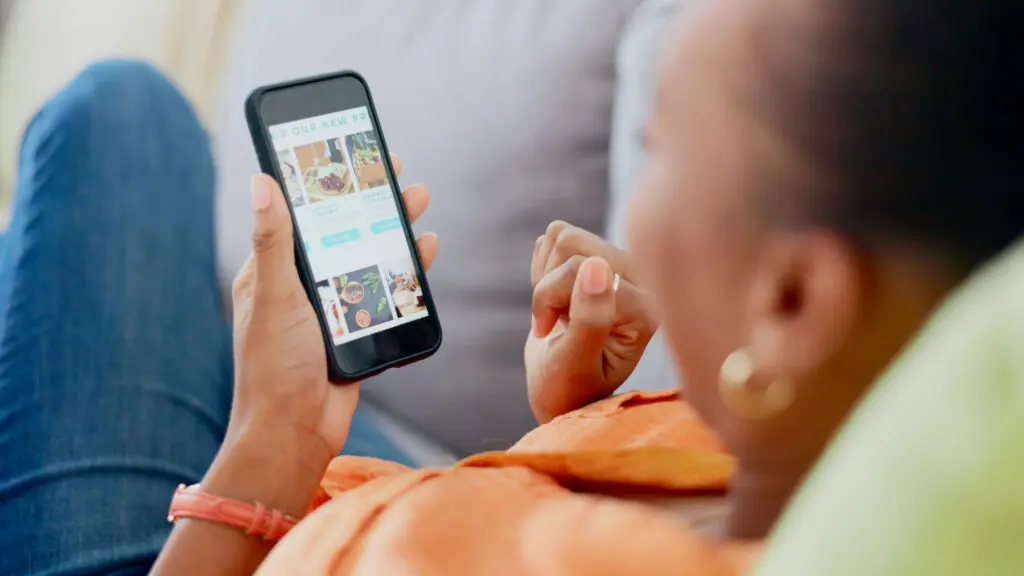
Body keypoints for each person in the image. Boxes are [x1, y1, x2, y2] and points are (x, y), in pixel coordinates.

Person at [4, 0, 1023, 572]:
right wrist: (578, 429)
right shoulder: (791, 445)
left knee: (117, 117)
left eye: (659, 149)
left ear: (796, 302)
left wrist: (266, 446)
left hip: (198, 544)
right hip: (358, 479)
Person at [0, 60, 432, 575]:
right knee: (229, 349)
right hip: (449, 502)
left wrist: (282, 434)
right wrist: (554, 414)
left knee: (126, 108)